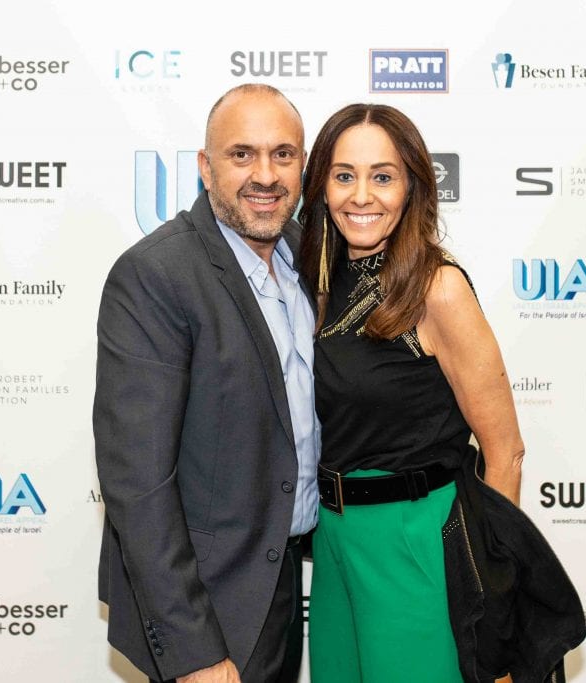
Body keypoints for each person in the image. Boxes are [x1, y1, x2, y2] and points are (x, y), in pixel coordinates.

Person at [93, 83, 319, 683]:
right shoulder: (155, 275)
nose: (265, 175)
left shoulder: (307, 255)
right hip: (209, 601)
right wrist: (194, 651)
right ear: (205, 166)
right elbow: (138, 483)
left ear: (302, 164)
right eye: (242, 154)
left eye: (282, 154)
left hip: (280, 581)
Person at [297, 103, 525, 683]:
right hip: (335, 543)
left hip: (415, 542)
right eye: (344, 175)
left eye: (383, 176)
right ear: (321, 187)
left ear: (411, 188)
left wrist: (496, 594)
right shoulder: (314, 285)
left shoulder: (437, 288)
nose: (361, 195)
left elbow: (505, 453)